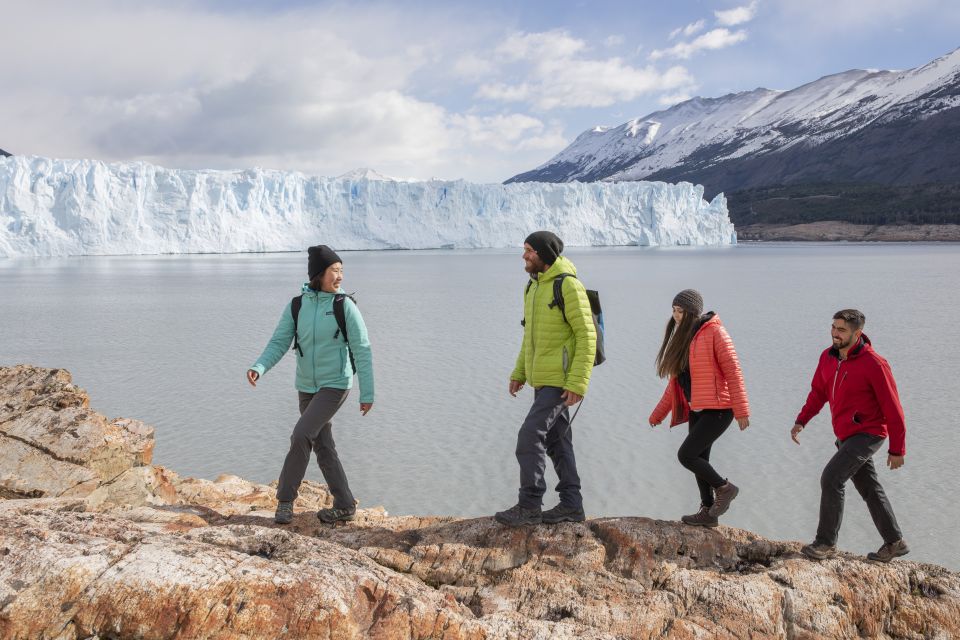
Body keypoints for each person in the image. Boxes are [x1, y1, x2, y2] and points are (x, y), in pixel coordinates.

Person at [247, 245, 374, 525]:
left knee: (302, 434)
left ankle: (284, 501)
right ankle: (344, 504)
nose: (340, 276)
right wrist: (260, 366)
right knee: (323, 445)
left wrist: (367, 392)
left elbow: (362, 349)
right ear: (319, 274)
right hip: (306, 386)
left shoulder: (345, 307)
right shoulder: (298, 305)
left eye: (341, 270)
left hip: (335, 385)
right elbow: (279, 341)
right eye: (334, 271)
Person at [495, 231, 597, 526]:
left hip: (561, 380)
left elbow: (586, 336)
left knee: (529, 436)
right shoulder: (533, 287)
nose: (524, 256)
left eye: (529, 250)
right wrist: (520, 373)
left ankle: (529, 505)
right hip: (543, 378)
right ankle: (572, 505)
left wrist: (577, 383)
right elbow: (530, 337)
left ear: (543, 254)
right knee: (557, 440)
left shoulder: (568, 286)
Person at [792, 309, 908, 562]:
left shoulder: (875, 364)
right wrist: (802, 420)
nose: (835, 333)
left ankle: (825, 543)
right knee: (870, 488)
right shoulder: (828, 357)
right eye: (833, 327)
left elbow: (893, 408)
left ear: (858, 333)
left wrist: (897, 449)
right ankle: (895, 542)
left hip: (869, 433)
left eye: (841, 330)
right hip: (845, 434)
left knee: (832, 478)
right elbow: (818, 393)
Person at [649, 289, 750, 527]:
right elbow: (675, 385)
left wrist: (741, 409)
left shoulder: (715, 332)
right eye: (673, 310)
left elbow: (733, 371)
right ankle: (708, 513)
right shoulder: (683, 339)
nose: (675, 316)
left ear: (693, 312)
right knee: (700, 459)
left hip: (719, 409)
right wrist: (659, 414)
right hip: (697, 409)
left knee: (687, 455)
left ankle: (724, 488)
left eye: (680, 311)